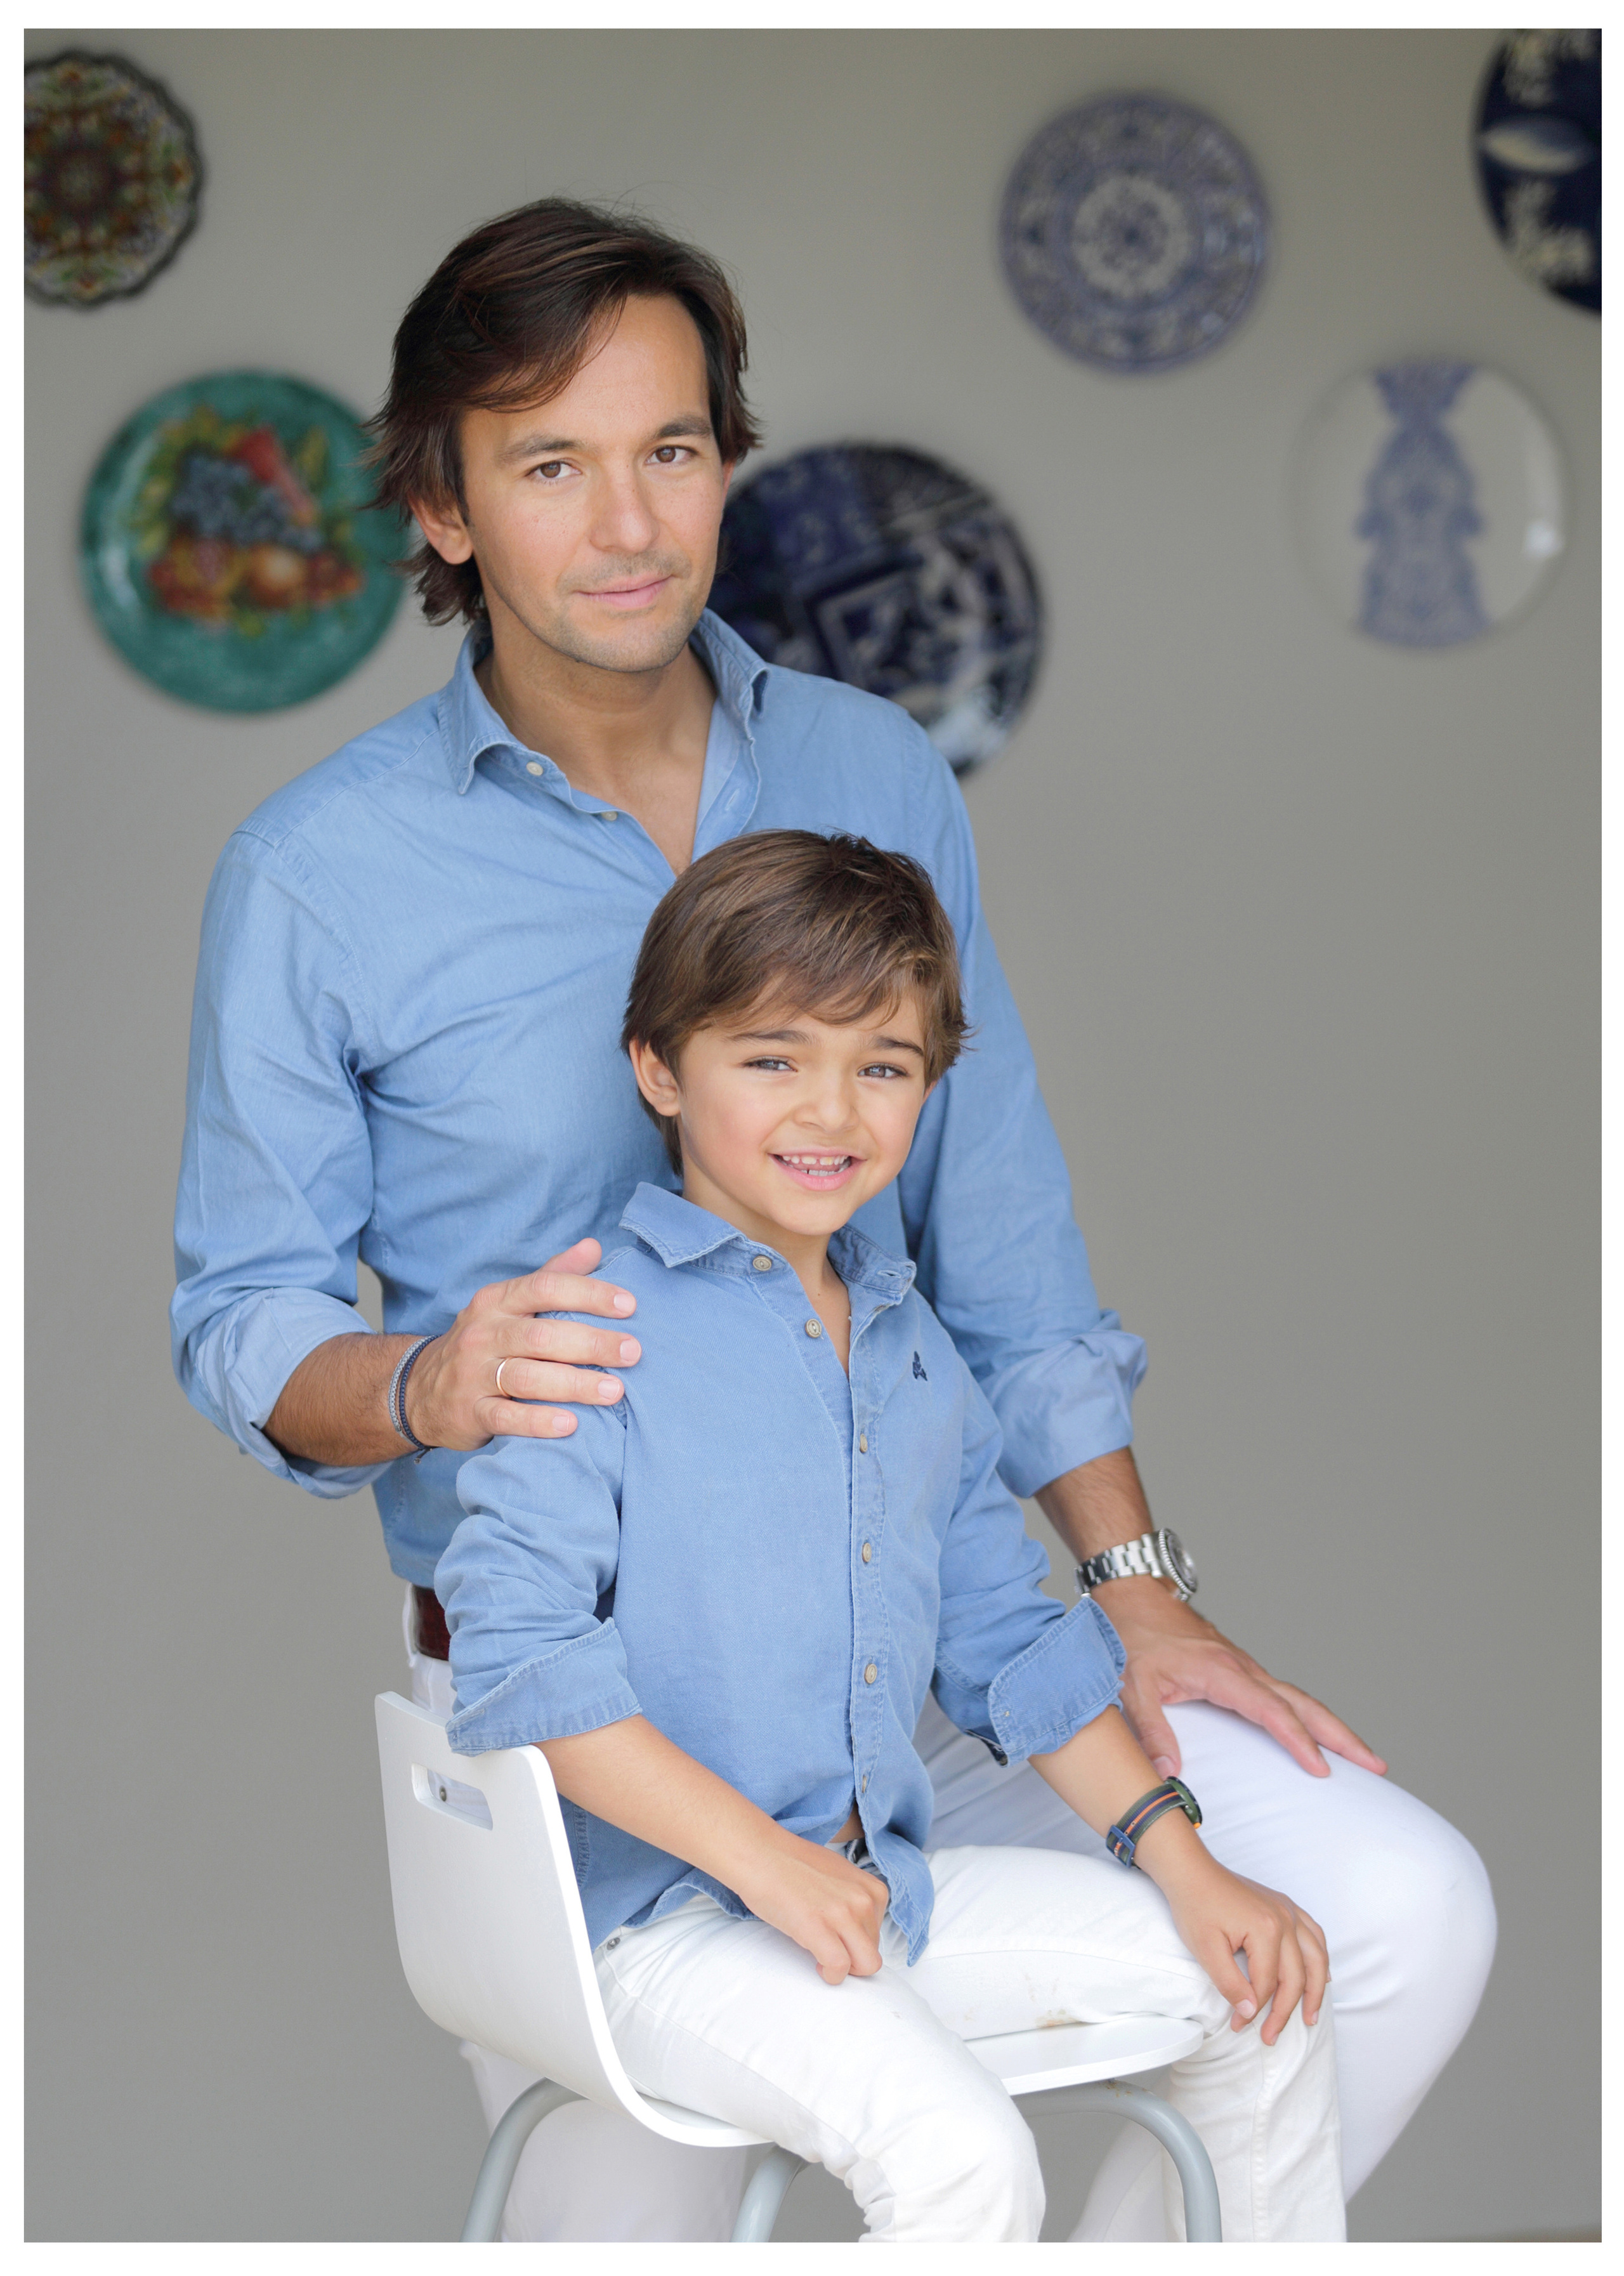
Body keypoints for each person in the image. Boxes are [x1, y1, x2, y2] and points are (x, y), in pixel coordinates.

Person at [171, 197, 1493, 2241]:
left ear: (727, 463)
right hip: (590, 1752)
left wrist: (1122, 1579)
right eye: (549, 463)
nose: (627, 523)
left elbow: (1000, 1214)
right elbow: (244, 1320)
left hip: (921, 1682)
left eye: (675, 450)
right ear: (438, 508)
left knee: (1390, 1911)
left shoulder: (871, 763)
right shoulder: (320, 872)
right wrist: (430, 1379)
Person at [437, 828, 1346, 2242]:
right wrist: (760, 1858)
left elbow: (1006, 1637)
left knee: (1266, 1993)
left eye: (883, 1065)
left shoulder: (911, 1344)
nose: (831, 1110)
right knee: (960, 2160)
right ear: (659, 1069)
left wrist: (1185, 1861)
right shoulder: (582, 1330)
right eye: (770, 1058)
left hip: (876, 1898)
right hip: (659, 1932)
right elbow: (521, 1664)